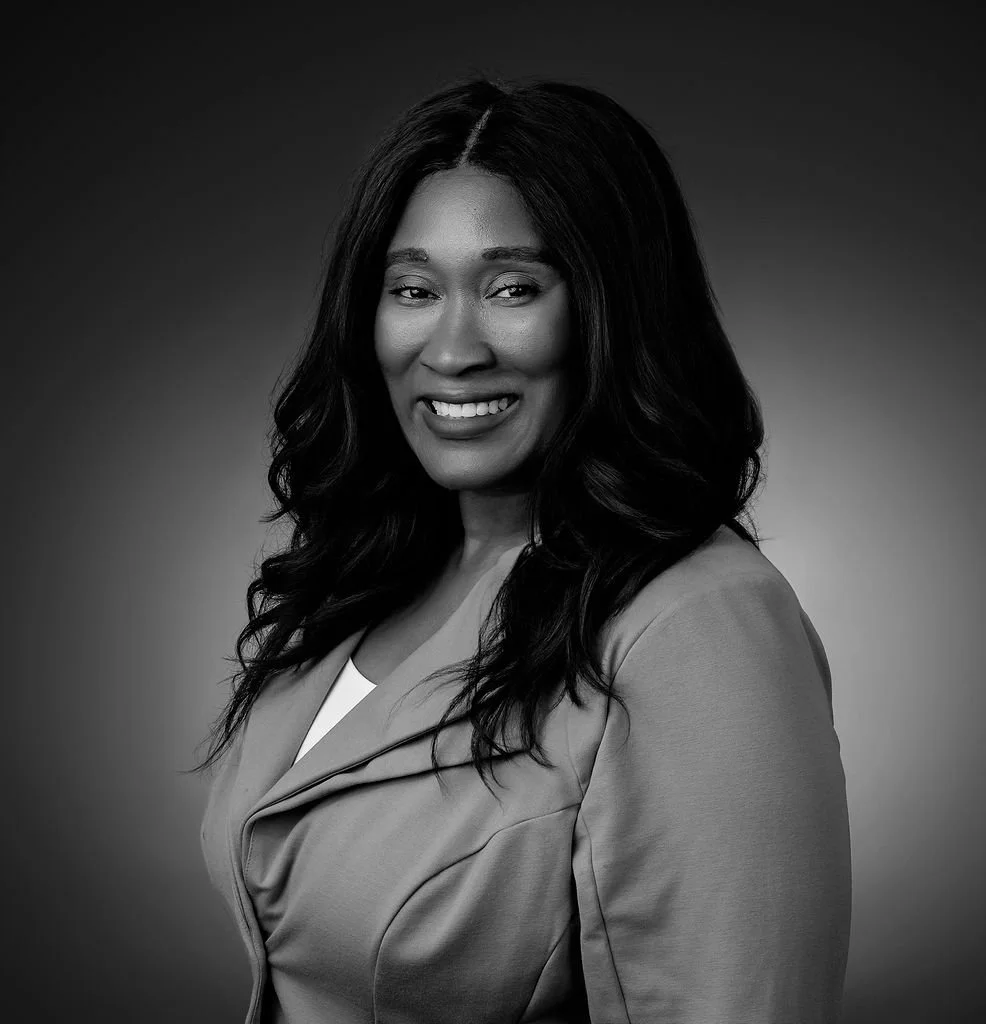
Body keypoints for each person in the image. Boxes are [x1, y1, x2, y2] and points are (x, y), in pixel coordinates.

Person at [195, 75, 852, 1024]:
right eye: (413, 289)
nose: (454, 348)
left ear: (609, 309)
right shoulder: (374, 577)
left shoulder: (702, 622)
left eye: (512, 289)